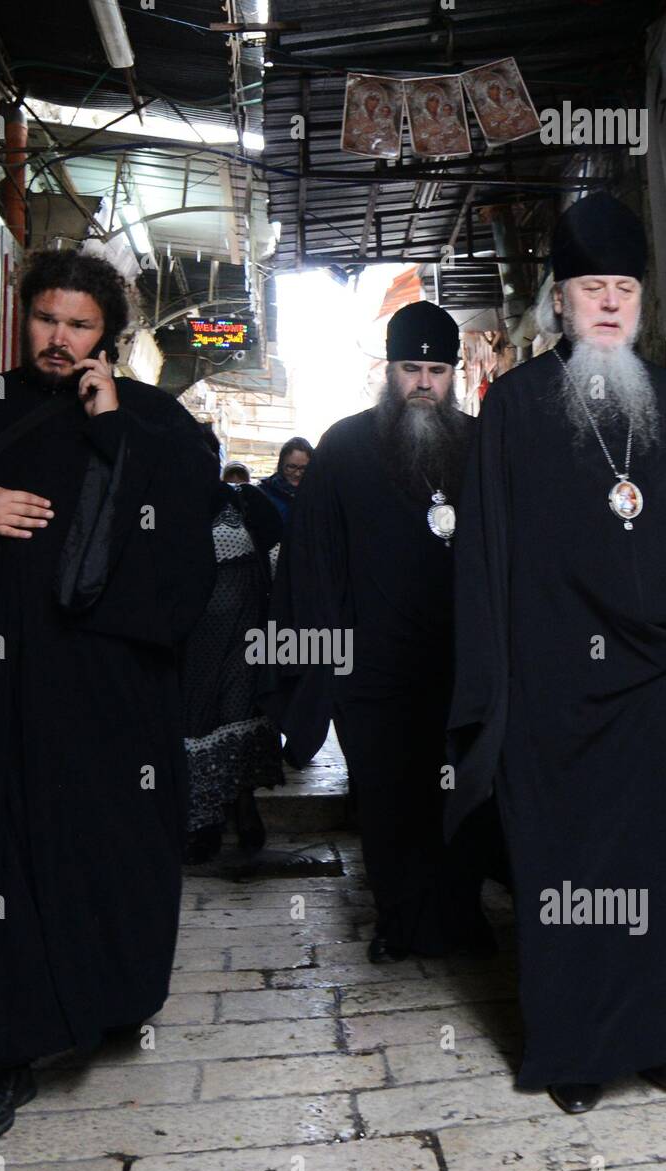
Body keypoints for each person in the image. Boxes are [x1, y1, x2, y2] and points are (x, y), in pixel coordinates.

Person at [0, 248, 217, 1141]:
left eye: (79, 325)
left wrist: (113, 437)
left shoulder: (150, 420)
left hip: (108, 691)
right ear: (21, 318)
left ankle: (102, 999)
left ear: (107, 333)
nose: (59, 340)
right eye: (45, 320)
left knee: (102, 845)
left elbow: (190, 539)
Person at [447, 192, 666, 1114]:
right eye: (590, 289)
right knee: (567, 877)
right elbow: (481, 555)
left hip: (658, 678)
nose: (608, 304)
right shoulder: (515, 407)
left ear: (639, 303)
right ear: (560, 304)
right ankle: (572, 1048)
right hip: (554, 690)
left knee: (663, 862)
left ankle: (648, 1032)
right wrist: (493, 688)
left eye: (622, 289)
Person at [267, 301, 500, 963]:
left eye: (435, 369)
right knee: (391, 803)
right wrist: (325, 663)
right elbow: (312, 562)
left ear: (453, 373)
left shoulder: (481, 445)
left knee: (465, 799)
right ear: (387, 371)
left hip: (464, 667)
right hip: (372, 673)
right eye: (410, 368)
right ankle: (399, 922)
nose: (423, 383)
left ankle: (460, 915)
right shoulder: (343, 446)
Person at [181, 449, 285, 863]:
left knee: (239, 714)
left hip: (246, 635)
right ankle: (205, 823)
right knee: (198, 720)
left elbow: (278, 555)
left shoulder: (248, 500)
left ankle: (244, 809)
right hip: (193, 643)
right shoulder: (170, 506)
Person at [257, 437, 313, 525]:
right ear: (281, 465)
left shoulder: (317, 495)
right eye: (291, 467)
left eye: (303, 468)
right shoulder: (263, 493)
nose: (297, 473)